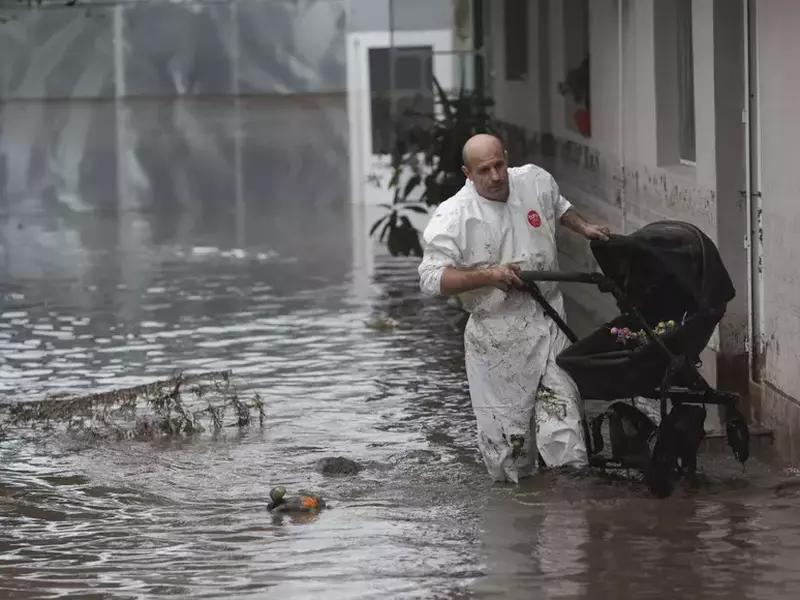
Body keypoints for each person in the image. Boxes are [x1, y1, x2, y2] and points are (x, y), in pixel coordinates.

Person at [418, 133, 611, 483]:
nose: (495, 176)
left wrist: (584, 228)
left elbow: (558, 204)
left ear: (506, 158)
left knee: (565, 428)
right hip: (497, 338)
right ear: (467, 173)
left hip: (548, 320)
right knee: (510, 450)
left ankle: (568, 520)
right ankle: (515, 518)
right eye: (484, 170)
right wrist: (490, 276)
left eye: (499, 165)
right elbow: (432, 278)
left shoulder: (534, 181)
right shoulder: (454, 216)